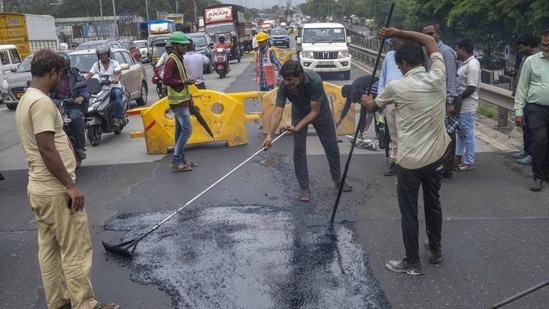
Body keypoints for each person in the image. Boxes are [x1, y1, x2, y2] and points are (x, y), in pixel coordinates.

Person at [15, 49, 119, 309]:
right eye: (60, 75)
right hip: (54, 190)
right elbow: (46, 148)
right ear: (51, 72)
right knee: (75, 249)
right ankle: (84, 304)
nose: (62, 81)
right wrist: (70, 186)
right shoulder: (40, 103)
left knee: (49, 251)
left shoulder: (27, 98)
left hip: (39, 189)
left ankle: (58, 301)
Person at [361, 28, 451, 276]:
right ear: (424, 61)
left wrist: (364, 100)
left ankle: (412, 261)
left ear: (403, 63)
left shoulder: (395, 87)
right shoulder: (438, 77)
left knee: (409, 211)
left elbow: (372, 106)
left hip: (409, 160)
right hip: (435, 157)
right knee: (433, 204)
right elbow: (430, 41)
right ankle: (435, 250)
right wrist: (399, 32)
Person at [261, 60, 352, 203]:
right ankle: (304, 189)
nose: (287, 82)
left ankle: (337, 179)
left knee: (332, 147)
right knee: (299, 152)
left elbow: (314, 111)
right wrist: (269, 135)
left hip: (321, 113)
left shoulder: (315, 80)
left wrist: (298, 127)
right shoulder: (284, 86)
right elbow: (278, 111)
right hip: (299, 113)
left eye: (290, 79)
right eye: (285, 79)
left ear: (300, 75)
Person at [423, 22, 460, 179]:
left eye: (431, 33)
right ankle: (437, 164)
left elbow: (450, 77)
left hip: (447, 98)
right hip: (434, 99)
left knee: (448, 134)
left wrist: (450, 102)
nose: (428, 37)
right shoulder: (428, 52)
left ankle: (447, 167)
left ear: (439, 34)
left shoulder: (446, 52)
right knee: (436, 132)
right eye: (426, 34)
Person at [514, 28, 549, 192]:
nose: (545, 48)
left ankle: (546, 172)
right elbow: (522, 87)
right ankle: (538, 177)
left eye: (548, 45)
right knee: (539, 141)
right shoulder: (531, 61)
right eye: (543, 45)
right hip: (536, 107)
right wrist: (519, 111)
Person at [163, 31, 197, 172]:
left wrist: (189, 99)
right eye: (182, 45)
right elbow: (166, 80)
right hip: (177, 102)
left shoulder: (179, 58)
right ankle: (176, 160)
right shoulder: (172, 60)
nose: (185, 47)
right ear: (175, 45)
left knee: (179, 132)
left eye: (185, 45)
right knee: (187, 130)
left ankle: (181, 159)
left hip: (182, 100)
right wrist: (184, 81)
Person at [51, 52, 91, 160]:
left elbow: (86, 90)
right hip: (56, 107)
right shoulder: (51, 76)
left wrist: (81, 97)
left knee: (75, 118)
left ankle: (79, 147)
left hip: (72, 106)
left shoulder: (75, 75)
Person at [378, 37, 405, 176]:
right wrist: (380, 98)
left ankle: (404, 161)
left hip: (404, 99)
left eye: (395, 41)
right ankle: (395, 161)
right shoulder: (389, 56)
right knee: (393, 133)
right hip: (389, 100)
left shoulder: (409, 55)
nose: (392, 44)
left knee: (404, 132)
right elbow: (382, 77)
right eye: (391, 42)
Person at [453, 38, 481, 172]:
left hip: (467, 105)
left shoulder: (472, 65)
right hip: (461, 105)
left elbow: (471, 87)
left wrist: (458, 98)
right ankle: (458, 158)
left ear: (463, 49)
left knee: (467, 133)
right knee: (460, 132)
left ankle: (469, 161)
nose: (456, 52)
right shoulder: (464, 64)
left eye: (457, 49)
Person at [512, 34, 539, 165]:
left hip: (532, 100)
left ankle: (532, 154)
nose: (519, 51)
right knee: (525, 127)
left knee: (533, 129)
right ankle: (527, 150)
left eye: (521, 48)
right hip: (524, 99)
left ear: (529, 46)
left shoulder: (537, 59)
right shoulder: (525, 58)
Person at [84, 45, 125, 127]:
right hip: (102, 88)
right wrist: (82, 81)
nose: (102, 56)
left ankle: (118, 117)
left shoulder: (114, 63)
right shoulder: (96, 65)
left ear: (108, 54)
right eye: (100, 55)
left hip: (114, 87)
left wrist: (116, 79)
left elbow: (119, 73)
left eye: (104, 54)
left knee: (117, 96)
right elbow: (89, 75)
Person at [338, 74, 379, 144]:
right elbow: (347, 105)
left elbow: (364, 111)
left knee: (372, 110)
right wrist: (340, 119)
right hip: (367, 89)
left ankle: (377, 134)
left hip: (374, 83)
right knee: (368, 111)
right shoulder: (351, 91)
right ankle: (362, 133)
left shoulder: (360, 89)